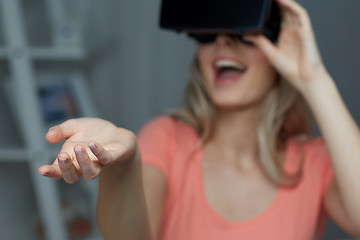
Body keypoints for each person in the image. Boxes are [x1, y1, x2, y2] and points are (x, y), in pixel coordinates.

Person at [38, 0, 360, 239]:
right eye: (210, 36)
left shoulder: (315, 162)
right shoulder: (167, 140)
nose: (223, 41)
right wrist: (123, 167)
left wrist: (313, 78)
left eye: (244, 33)